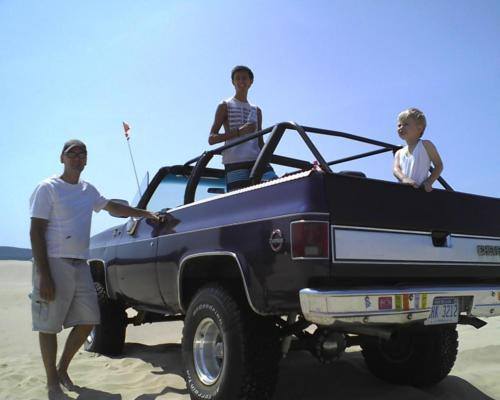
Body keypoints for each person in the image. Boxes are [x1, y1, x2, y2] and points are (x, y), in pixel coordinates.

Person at [29, 139, 160, 399]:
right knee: (49, 325)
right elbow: (36, 231)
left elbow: (113, 207)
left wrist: (144, 214)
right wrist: (44, 274)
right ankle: (52, 382)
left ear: (86, 160)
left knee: (89, 319)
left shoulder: (88, 190)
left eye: (83, 153)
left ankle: (62, 369)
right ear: (62, 157)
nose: (78, 157)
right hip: (53, 262)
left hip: (80, 264)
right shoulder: (48, 188)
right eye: (72, 153)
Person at [209, 65, 277, 191]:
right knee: (241, 198)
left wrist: (269, 156)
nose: (241, 81)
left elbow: (260, 141)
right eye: (238, 78)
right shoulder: (225, 105)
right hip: (235, 162)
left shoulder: (256, 110)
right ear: (233, 82)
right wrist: (240, 132)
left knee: (274, 186)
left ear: (251, 82)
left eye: (244, 78)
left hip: (256, 160)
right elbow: (212, 138)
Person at [393, 108, 443, 192]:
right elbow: (396, 169)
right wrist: (404, 178)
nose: (401, 127)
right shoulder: (399, 153)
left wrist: (429, 182)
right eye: (399, 125)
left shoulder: (426, 145)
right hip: (402, 192)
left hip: (420, 192)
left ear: (419, 128)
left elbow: (439, 165)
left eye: (406, 124)